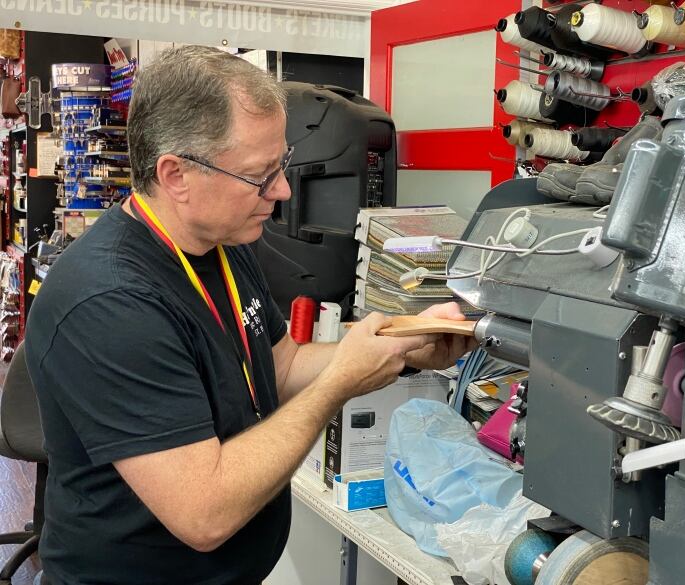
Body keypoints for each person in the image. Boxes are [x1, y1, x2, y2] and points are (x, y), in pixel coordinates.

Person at [24, 45, 473, 585]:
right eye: (259, 175)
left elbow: (278, 368)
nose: (281, 191)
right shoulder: (109, 301)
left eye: (280, 165)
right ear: (176, 175)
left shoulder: (224, 243)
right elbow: (204, 511)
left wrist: (400, 346)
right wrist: (339, 386)